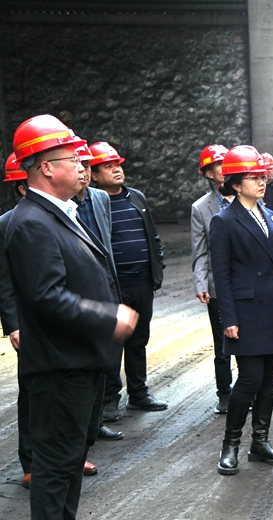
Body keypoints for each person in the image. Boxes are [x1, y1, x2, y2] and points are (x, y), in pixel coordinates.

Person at [6, 114, 138, 520]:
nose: (83, 167)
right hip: (59, 369)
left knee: (70, 462)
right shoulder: (32, 223)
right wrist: (108, 317)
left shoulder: (60, 213)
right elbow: (46, 296)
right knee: (56, 467)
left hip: (78, 363)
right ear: (46, 168)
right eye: (73, 160)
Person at [0, 153, 103, 489]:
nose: (81, 169)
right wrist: (13, 324)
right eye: (72, 161)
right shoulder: (19, 222)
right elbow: (11, 282)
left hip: (74, 339)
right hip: (44, 339)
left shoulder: (68, 213)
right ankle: (33, 460)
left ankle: (68, 454)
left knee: (70, 422)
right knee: (37, 402)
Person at [209, 145, 273, 475]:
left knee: (269, 378)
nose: (262, 181)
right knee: (249, 379)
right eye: (253, 177)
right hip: (247, 311)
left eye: (263, 176)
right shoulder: (223, 221)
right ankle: (230, 445)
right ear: (235, 184)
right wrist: (228, 317)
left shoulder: (272, 216)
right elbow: (221, 275)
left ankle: (260, 442)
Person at [89, 141, 167, 420]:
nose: (116, 170)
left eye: (118, 165)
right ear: (94, 175)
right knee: (112, 340)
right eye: (108, 167)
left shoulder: (137, 198)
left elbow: (152, 235)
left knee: (138, 339)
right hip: (114, 285)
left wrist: (157, 266)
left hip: (142, 281)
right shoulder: (92, 203)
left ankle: (138, 393)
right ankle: (110, 399)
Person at [71, 143, 125, 441]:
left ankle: (101, 414)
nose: (83, 172)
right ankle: (84, 426)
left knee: (109, 351)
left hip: (106, 282)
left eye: (87, 166)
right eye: (79, 165)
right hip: (81, 288)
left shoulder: (101, 199)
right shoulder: (64, 205)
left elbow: (107, 241)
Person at [191, 144, 234, 413]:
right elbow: (200, 250)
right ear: (208, 173)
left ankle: (249, 390)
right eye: (218, 164)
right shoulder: (200, 208)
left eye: (226, 162)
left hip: (247, 281)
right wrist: (201, 283)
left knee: (251, 338)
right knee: (222, 342)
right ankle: (225, 394)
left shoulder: (248, 197)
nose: (224, 168)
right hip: (218, 284)